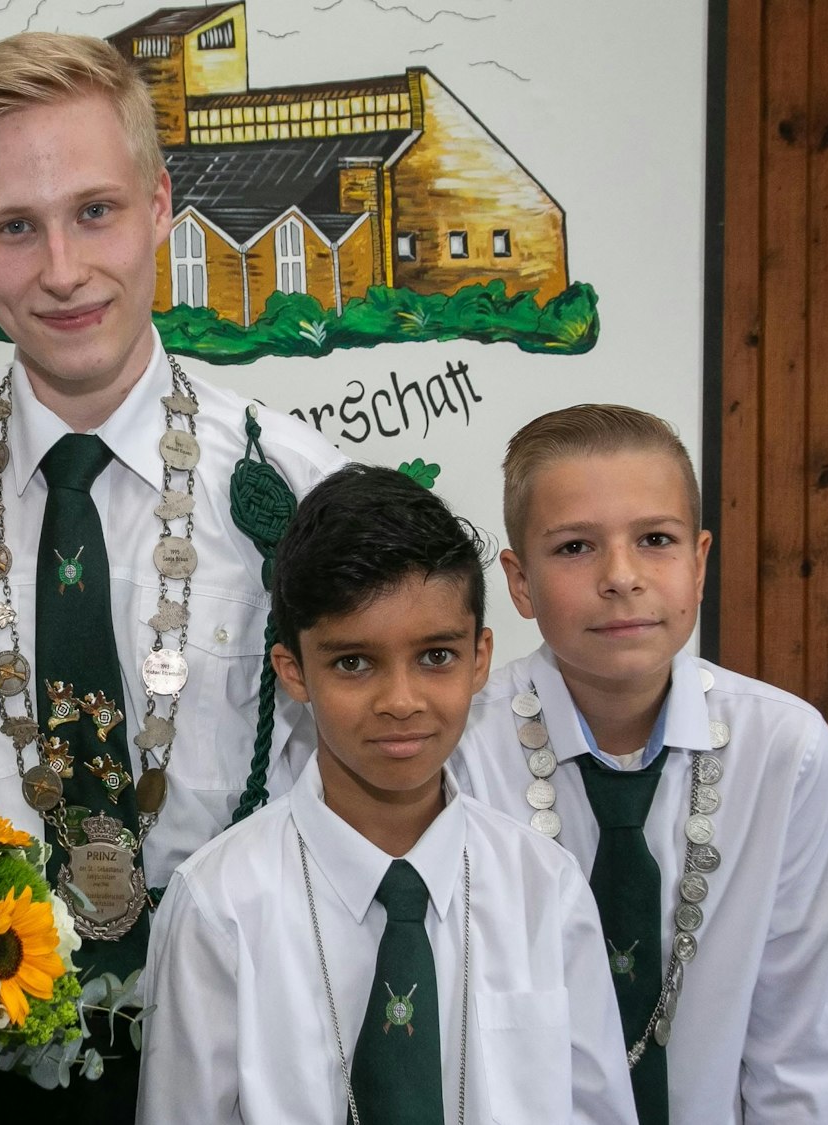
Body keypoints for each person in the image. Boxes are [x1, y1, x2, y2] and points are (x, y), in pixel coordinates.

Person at [0, 31, 346, 1121]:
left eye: (94, 211)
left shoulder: (301, 487)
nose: (61, 269)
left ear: (158, 207)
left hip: (234, 1057)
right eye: (15, 227)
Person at [138, 464, 637, 1124]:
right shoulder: (220, 905)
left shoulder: (544, 888)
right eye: (353, 662)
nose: (401, 701)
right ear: (294, 671)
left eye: (435, 657)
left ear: (479, 658)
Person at [449, 404, 828, 1123]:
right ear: (519, 582)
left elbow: (799, 1040)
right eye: (575, 547)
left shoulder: (785, 751)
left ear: (699, 563)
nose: (621, 576)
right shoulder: (459, 750)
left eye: (656, 540)